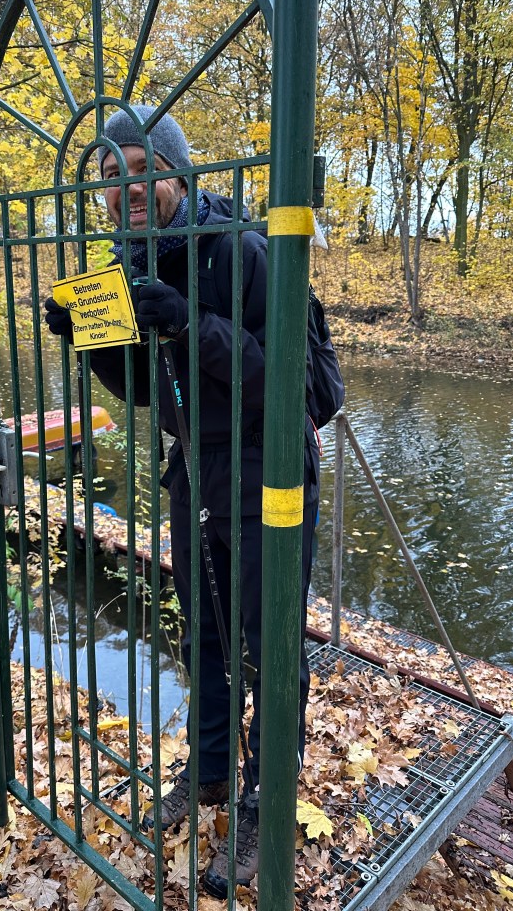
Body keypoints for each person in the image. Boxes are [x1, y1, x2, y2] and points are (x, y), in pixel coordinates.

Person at [44, 105, 344, 897]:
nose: (127, 189)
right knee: (204, 633)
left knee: (268, 647)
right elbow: (148, 393)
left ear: (177, 173)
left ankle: (262, 803)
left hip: (270, 474)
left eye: (143, 169)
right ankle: (211, 772)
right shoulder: (130, 261)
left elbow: (304, 392)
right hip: (195, 476)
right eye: (112, 177)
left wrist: (191, 326)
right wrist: (92, 336)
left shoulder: (241, 247)